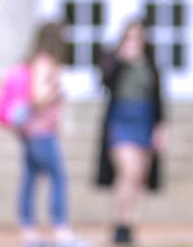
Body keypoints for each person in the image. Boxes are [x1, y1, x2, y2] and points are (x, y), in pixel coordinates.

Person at [95, 18, 166, 245]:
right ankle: (121, 222)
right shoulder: (115, 62)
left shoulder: (150, 64)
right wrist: (119, 61)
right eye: (130, 37)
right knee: (128, 171)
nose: (135, 42)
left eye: (138, 37)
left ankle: (130, 222)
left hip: (144, 120)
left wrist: (160, 127)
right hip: (122, 119)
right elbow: (104, 83)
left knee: (138, 176)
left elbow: (158, 99)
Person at [11, 22, 81, 247]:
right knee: (58, 177)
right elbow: (38, 97)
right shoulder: (45, 63)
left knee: (30, 180)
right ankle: (60, 228)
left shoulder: (36, 62)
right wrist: (58, 91)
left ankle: (28, 230)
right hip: (41, 132)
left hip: (32, 131)